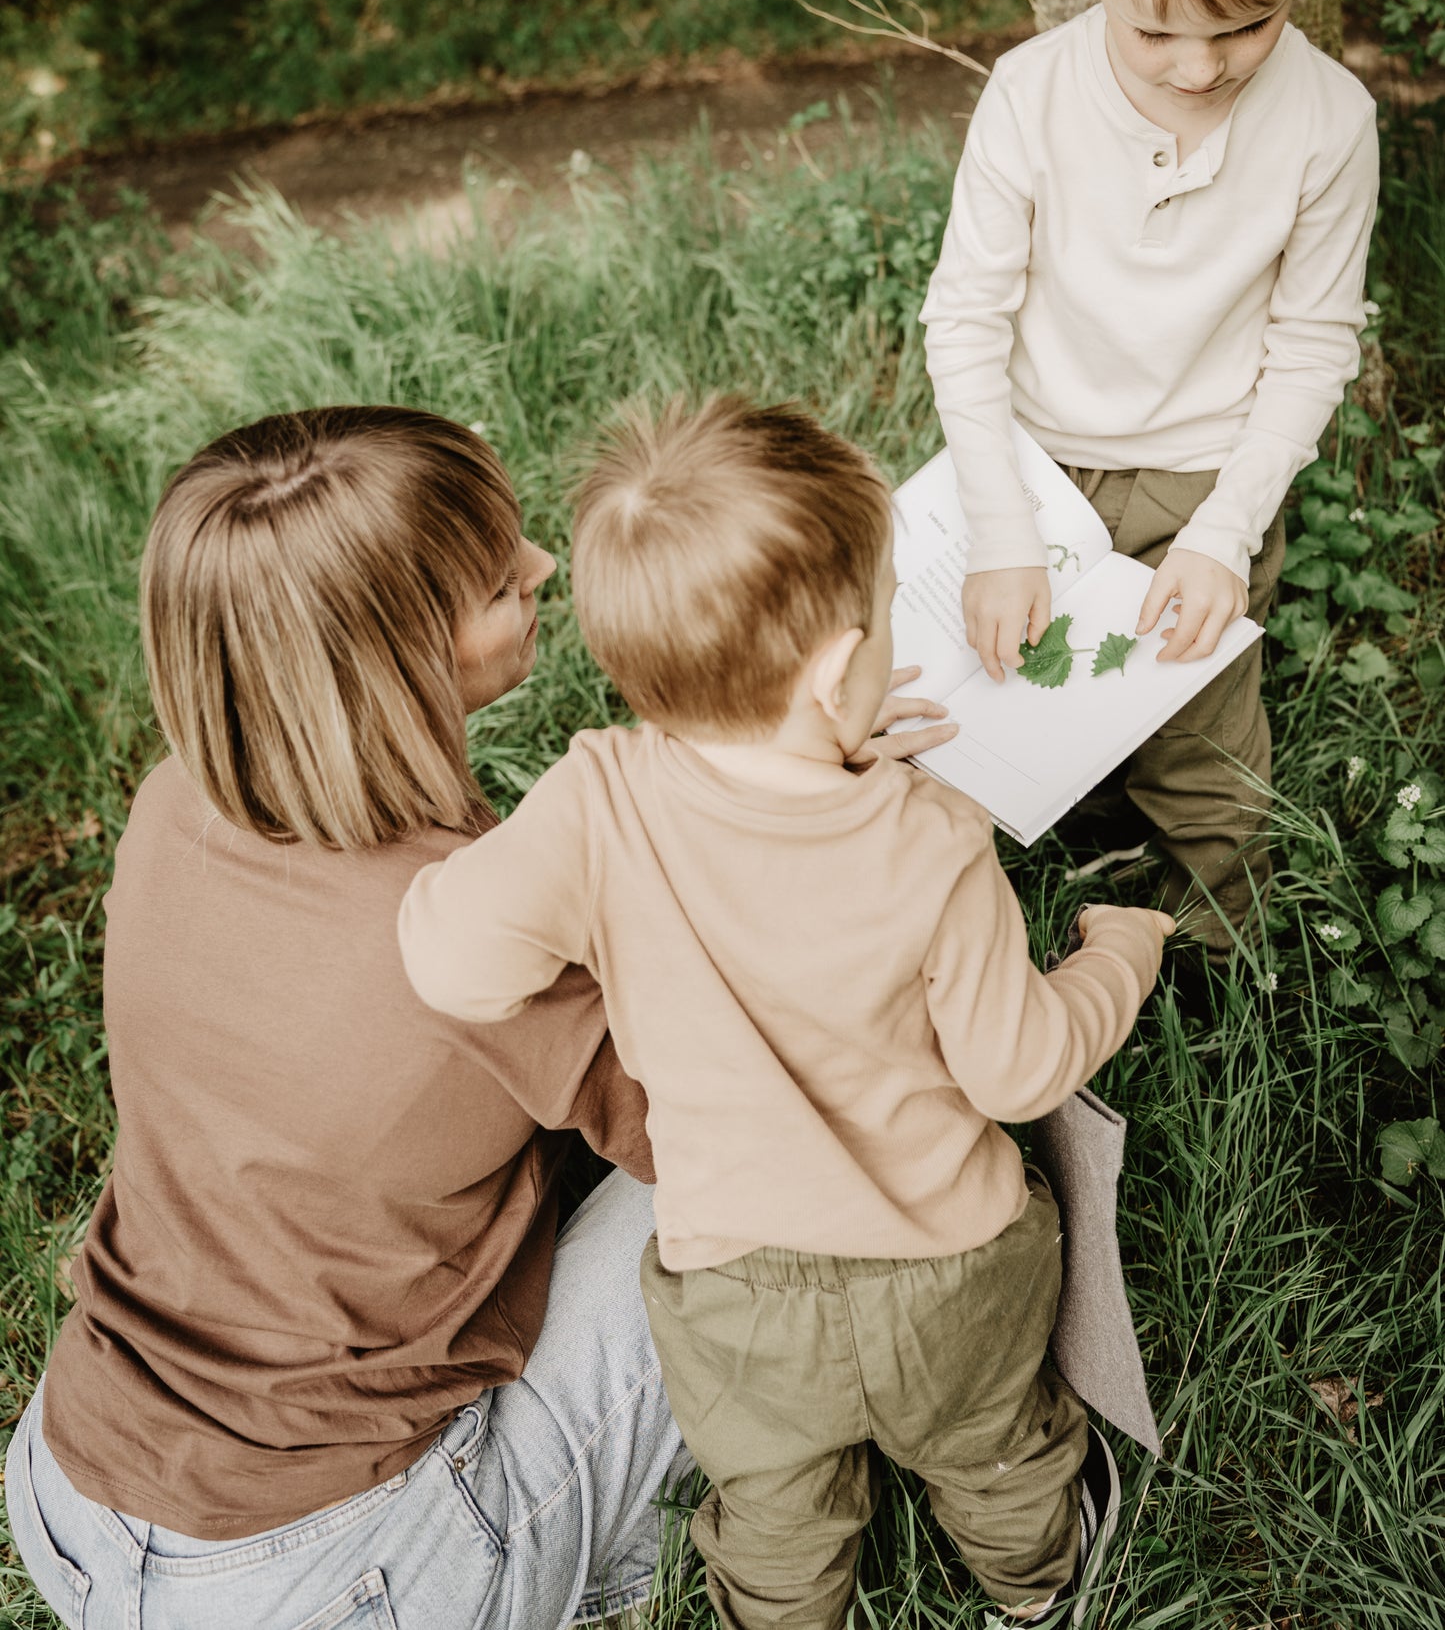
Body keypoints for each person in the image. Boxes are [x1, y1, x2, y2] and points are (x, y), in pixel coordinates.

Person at [398, 395, 1174, 1630]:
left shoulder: (597, 804)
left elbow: (450, 962)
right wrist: (1116, 956)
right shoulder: (932, 839)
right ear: (831, 677)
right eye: (887, 619)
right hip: (950, 1271)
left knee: (773, 1503)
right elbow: (1017, 1071)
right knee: (996, 1450)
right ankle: (1033, 1588)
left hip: (734, 1292)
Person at [4, 405, 688, 1630]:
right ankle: (618, 1544)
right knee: (773, 1179)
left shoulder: (172, 806)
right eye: (498, 583)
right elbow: (720, 1128)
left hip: (73, 1489)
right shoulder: (468, 938)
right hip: (338, 1576)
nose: (542, 568)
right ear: (398, 661)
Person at [919, 0, 1379, 948]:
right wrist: (999, 530)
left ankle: (1218, 966)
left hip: (1199, 484)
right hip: (1024, 472)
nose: (1195, 69)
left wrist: (1223, 536)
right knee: (958, 720)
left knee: (1204, 771)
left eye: (1243, 26)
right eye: (1152, 32)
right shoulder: (1028, 95)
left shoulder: (1329, 123)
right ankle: (947, 928)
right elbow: (963, 320)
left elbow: (1310, 346)